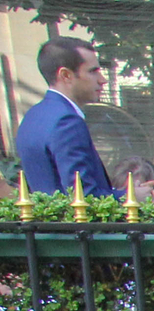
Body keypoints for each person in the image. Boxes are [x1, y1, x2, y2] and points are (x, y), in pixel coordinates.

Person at [18, 37, 115, 198]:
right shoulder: (67, 121)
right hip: (72, 222)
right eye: (93, 71)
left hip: (46, 220)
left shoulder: (32, 116)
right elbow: (83, 197)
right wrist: (131, 197)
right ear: (66, 75)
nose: (102, 80)